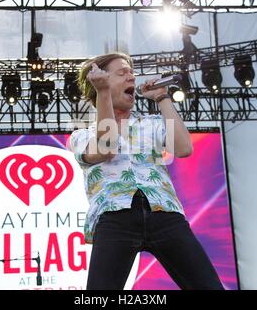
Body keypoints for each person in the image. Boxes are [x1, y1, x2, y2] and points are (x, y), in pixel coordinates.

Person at [68, 52, 223, 290]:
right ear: (100, 80)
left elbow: (183, 148)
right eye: (122, 73)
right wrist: (103, 93)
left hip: (165, 213)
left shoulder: (150, 123)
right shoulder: (81, 136)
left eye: (132, 72)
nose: (131, 77)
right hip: (115, 216)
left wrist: (162, 98)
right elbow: (107, 147)